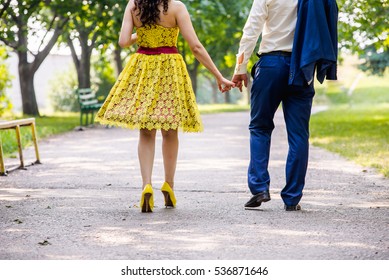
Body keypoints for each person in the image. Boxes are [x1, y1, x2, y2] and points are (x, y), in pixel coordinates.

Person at [95, 0, 234, 213]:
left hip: (143, 67)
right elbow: (195, 46)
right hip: (170, 69)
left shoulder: (133, 5)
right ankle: (169, 184)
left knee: (146, 131)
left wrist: (141, 34)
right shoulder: (176, 7)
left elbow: (123, 41)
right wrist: (219, 76)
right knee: (170, 132)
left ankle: (146, 185)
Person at [231, 0, 338, 211]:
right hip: (302, 67)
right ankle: (292, 198)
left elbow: (252, 29)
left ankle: (260, 187)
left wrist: (240, 67)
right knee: (299, 135)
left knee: (260, 127)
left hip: (271, 66)